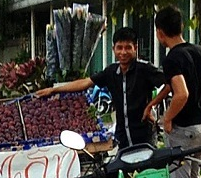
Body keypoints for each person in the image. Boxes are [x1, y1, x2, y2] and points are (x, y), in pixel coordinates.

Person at [36, 27, 165, 150]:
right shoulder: (111, 72)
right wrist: (54, 90)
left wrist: (151, 106)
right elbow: (86, 83)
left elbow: (170, 83)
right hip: (123, 137)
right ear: (113, 49)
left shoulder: (145, 69)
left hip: (144, 136)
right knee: (125, 171)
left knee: (146, 171)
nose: (123, 52)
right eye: (119, 48)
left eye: (128, 48)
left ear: (135, 48)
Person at [148, 5, 201, 178]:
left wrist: (167, 118)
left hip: (183, 131)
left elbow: (181, 93)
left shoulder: (172, 59)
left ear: (159, 32)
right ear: (182, 26)